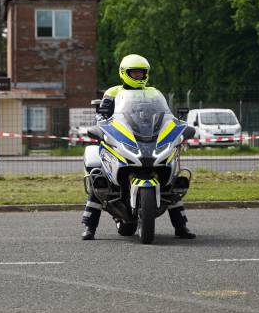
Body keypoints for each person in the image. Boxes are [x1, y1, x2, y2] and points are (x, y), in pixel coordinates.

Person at [81, 54, 195, 240]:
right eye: (134, 73)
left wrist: (177, 126)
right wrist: (100, 126)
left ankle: (181, 226)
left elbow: (164, 115)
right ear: (124, 73)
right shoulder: (112, 92)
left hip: (147, 139)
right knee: (99, 177)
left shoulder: (153, 93)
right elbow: (103, 117)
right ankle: (89, 227)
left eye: (141, 73)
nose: (138, 76)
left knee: (171, 183)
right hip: (120, 138)